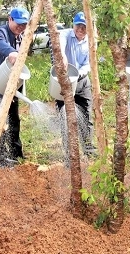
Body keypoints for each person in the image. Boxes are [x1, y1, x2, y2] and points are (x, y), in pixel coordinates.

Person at [0, 7, 30, 167]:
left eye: (24, 25)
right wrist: (11, 52)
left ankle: (16, 154)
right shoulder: (0, 33)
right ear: (9, 19)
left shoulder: (22, 37)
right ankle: (1, 157)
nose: (21, 27)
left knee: (14, 120)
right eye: (19, 24)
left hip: (11, 87)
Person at [55, 11, 95, 157]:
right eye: (78, 26)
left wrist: (78, 74)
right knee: (65, 118)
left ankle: (88, 148)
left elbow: (88, 64)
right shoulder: (65, 35)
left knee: (86, 115)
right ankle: (69, 153)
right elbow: (60, 43)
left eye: (84, 27)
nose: (80, 30)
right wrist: (63, 56)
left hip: (82, 82)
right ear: (73, 25)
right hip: (64, 82)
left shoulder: (90, 41)